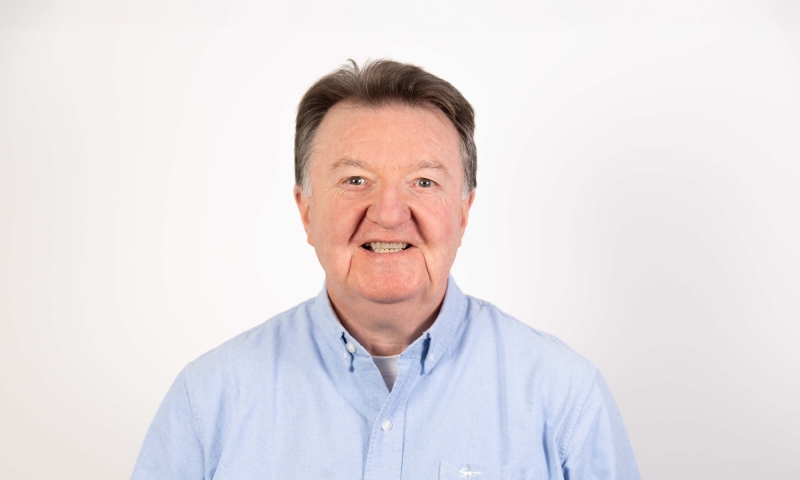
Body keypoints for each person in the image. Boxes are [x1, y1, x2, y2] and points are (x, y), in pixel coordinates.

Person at [131, 59, 640, 480]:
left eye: (423, 182)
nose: (389, 213)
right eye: (356, 180)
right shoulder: (209, 402)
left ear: (463, 212)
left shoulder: (565, 397)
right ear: (306, 210)